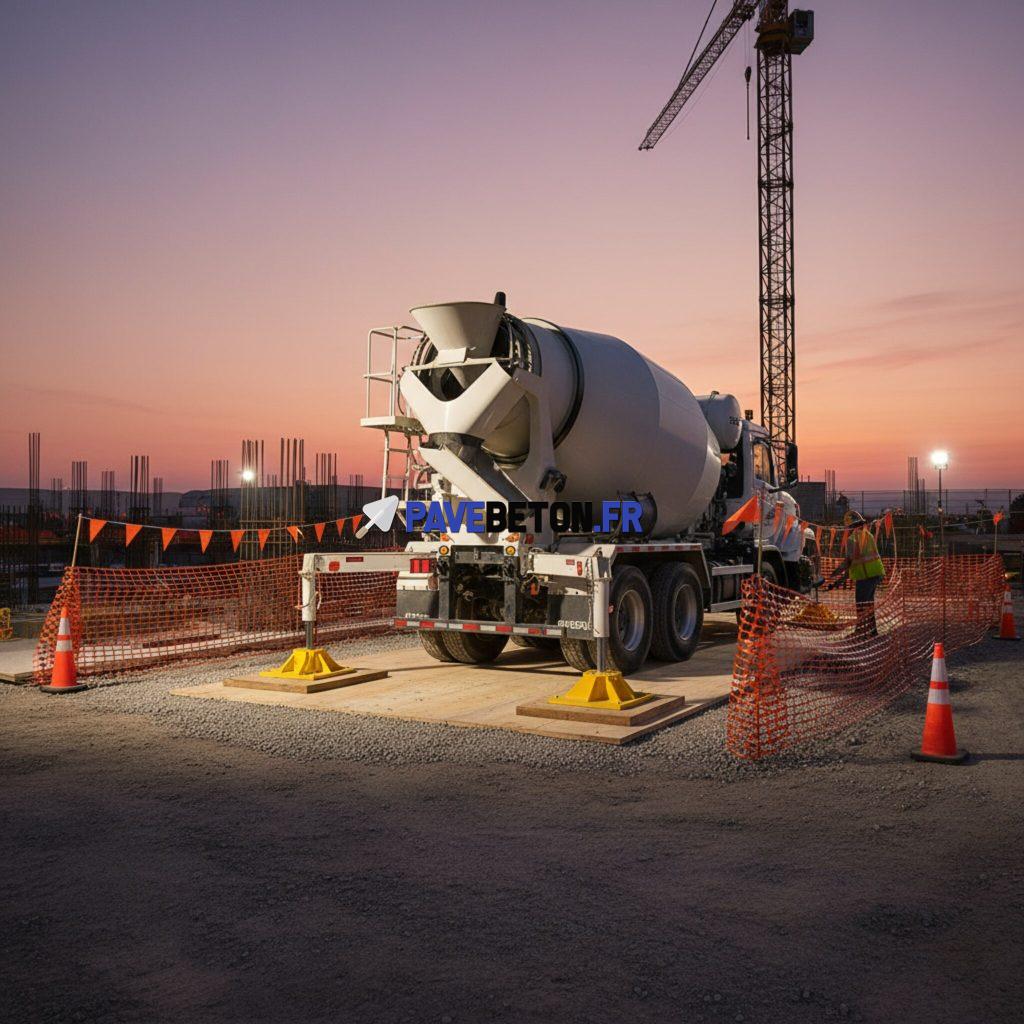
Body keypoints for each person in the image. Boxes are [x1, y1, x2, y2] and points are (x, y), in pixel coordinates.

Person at [841, 510, 885, 637]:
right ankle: (872, 630)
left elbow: (850, 560)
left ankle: (861, 631)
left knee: (861, 604)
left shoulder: (852, 539)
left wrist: (838, 577)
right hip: (875, 574)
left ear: (849, 527)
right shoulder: (868, 535)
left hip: (864, 576)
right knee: (868, 604)